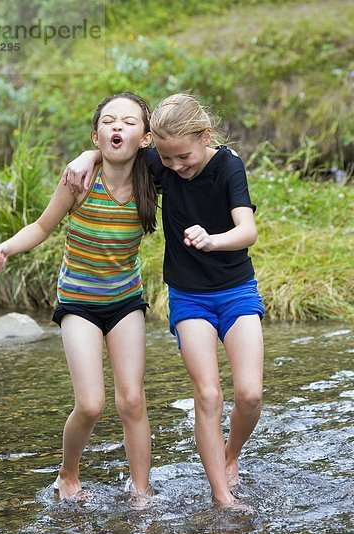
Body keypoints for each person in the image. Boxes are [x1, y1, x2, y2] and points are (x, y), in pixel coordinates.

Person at [62, 93, 264, 508]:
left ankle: (232, 454)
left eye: (183, 158)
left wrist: (213, 240)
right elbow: (119, 149)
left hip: (236, 289)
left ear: (205, 136)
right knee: (207, 394)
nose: (175, 169)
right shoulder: (159, 160)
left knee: (250, 394)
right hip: (189, 296)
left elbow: (247, 230)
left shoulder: (228, 166)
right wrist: (87, 156)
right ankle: (222, 497)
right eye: (167, 160)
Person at [0, 92, 158, 502]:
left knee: (132, 400)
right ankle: (68, 473)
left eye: (129, 122)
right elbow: (43, 226)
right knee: (92, 405)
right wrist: (6, 248)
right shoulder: (79, 180)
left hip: (125, 300)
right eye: (109, 121)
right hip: (79, 302)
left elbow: (190, 154)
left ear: (147, 138)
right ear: (96, 134)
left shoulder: (153, 177)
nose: (118, 127)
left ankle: (141, 492)